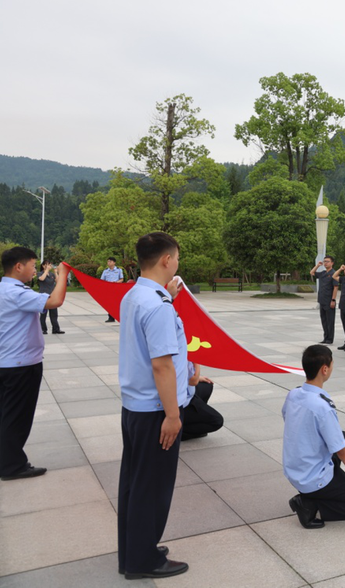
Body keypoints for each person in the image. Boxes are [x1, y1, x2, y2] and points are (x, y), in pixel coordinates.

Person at [117, 232, 190, 579]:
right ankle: (142, 562)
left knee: (134, 484)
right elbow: (161, 365)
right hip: (155, 411)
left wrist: (169, 298)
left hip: (134, 407)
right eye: (176, 257)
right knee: (152, 488)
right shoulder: (157, 306)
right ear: (166, 260)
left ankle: (133, 550)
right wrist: (173, 415)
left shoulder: (135, 296)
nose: (177, 262)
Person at [283, 345, 345, 529]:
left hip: (295, 469)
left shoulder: (293, 394)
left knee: (342, 436)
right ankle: (310, 505)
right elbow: (343, 451)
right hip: (313, 479)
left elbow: (289, 419)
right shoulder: (322, 407)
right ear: (325, 369)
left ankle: (313, 497)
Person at [1, 247, 68, 481]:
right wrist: (64, 275)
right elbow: (55, 300)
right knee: (17, 416)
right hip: (21, 365)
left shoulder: (3, 288)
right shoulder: (16, 292)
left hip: (6, 361)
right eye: (32, 265)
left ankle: (6, 460)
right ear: (18, 267)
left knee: (6, 413)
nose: (34, 270)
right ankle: (12, 466)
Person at [181, 363, 224, 441]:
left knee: (206, 385)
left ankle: (196, 419)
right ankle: (179, 432)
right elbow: (193, 381)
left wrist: (197, 377)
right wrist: (196, 361)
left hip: (188, 392)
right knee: (217, 421)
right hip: (181, 402)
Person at [310, 256, 337, 345]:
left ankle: (330, 338)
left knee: (330, 320)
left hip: (329, 300)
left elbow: (335, 288)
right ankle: (325, 337)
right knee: (324, 320)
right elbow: (312, 272)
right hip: (322, 300)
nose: (325, 263)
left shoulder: (334, 274)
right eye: (324, 261)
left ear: (332, 263)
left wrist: (333, 300)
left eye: (327, 261)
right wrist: (317, 265)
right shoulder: (323, 273)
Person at [37, 260, 65, 335]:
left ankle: (56, 329)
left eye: (50, 264)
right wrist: (46, 270)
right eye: (48, 264)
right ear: (43, 266)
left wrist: (56, 272)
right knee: (43, 314)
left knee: (54, 314)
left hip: (52, 296)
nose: (50, 266)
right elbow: (42, 279)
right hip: (43, 297)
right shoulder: (40, 273)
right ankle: (43, 329)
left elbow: (58, 281)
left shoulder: (52, 274)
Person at [101, 256, 124, 322]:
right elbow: (102, 280)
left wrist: (116, 282)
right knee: (109, 303)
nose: (108, 263)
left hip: (116, 288)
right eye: (108, 261)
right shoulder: (105, 271)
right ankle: (111, 317)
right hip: (108, 289)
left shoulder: (119, 270)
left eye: (110, 261)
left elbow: (121, 279)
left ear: (114, 263)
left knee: (117, 303)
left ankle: (119, 316)